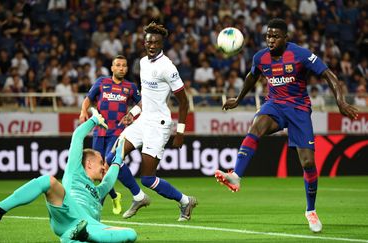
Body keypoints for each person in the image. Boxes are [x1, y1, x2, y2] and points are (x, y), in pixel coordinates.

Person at [215, 18, 358, 233]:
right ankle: (236, 175)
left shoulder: (300, 54)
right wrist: (238, 98)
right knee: (256, 126)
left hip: (299, 109)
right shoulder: (260, 57)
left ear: (285, 38)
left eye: (275, 36)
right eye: (268, 36)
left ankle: (310, 210)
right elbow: (251, 77)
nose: (270, 40)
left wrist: (340, 101)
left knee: (308, 163)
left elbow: (329, 74)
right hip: (274, 105)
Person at [0, 108, 137, 242]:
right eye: (101, 162)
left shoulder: (98, 191)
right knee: (47, 181)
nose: (104, 167)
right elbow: (77, 136)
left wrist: (118, 157)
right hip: (68, 211)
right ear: (89, 163)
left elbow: (110, 178)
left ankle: (76, 237)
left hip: (88, 226)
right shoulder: (74, 172)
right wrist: (94, 120)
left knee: (131, 234)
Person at [112, 22, 197, 221]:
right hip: (142, 121)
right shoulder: (142, 62)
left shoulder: (167, 67)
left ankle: (185, 201)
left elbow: (184, 102)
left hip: (158, 125)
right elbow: (146, 97)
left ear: (162, 44)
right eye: (149, 42)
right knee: (112, 158)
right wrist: (132, 113)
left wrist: (181, 132)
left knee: (148, 178)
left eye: (156, 42)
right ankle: (138, 196)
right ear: (144, 42)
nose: (152, 45)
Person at [79, 55, 145, 215]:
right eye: (118, 65)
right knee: (97, 170)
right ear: (112, 68)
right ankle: (115, 195)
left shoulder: (130, 86)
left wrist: (132, 115)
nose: (121, 68)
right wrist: (83, 111)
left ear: (127, 69)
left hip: (117, 132)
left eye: (124, 65)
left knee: (107, 165)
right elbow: (88, 99)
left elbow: (143, 103)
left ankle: (97, 205)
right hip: (99, 132)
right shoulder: (102, 82)